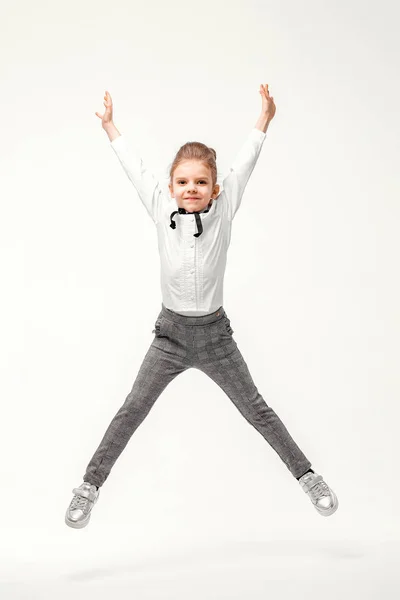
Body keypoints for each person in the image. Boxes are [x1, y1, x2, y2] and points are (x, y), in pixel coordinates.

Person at [65, 85, 338, 529]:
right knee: (132, 409)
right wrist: (110, 125)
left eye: (201, 182)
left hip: (215, 338)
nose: (191, 188)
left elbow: (245, 164)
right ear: (171, 186)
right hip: (170, 337)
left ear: (214, 189)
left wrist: (264, 120)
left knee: (257, 409)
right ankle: (88, 487)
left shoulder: (224, 208)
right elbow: (134, 168)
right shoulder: (159, 208)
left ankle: (309, 477)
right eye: (183, 182)